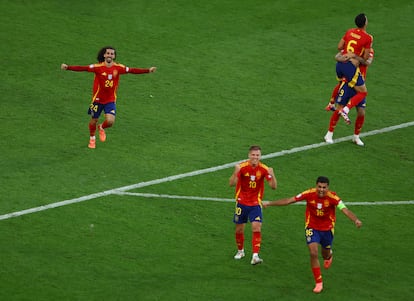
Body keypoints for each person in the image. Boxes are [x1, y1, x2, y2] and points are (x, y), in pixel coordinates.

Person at [263, 176, 362, 294]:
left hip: (327, 230)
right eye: (319, 187)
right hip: (312, 227)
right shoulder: (309, 194)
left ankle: (329, 256)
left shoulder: (333, 197)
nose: (321, 190)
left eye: (324, 187)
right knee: (313, 252)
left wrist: (355, 220)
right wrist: (269, 203)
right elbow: (289, 200)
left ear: (328, 188)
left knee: (325, 254)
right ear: (316, 186)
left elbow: (345, 210)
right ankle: (319, 282)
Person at [61, 46, 157, 149]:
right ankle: (92, 138)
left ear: (114, 56)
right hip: (97, 100)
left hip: (110, 100)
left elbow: (132, 70)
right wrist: (68, 67)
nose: (110, 55)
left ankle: (101, 127)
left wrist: (148, 70)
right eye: (108, 53)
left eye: (112, 54)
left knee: (110, 122)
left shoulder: (118, 68)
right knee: (93, 120)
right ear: (104, 55)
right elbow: (83, 68)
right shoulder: (98, 67)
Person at [229, 145, 277, 265]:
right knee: (239, 229)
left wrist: (273, 174)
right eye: (253, 155)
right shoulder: (242, 167)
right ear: (249, 155)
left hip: (255, 203)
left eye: (257, 155)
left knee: (256, 226)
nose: (255, 157)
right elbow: (231, 183)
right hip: (241, 202)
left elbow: (273, 186)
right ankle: (241, 251)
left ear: (260, 156)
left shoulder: (264, 169)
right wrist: (235, 173)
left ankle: (255, 255)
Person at [324, 48, 374, 146]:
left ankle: (356, 137)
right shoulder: (351, 49)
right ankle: (329, 134)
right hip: (347, 84)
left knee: (361, 112)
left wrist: (355, 57)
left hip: (359, 86)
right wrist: (344, 57)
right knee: (339, 109)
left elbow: (368, 62)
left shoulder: (368, 51)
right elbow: (338, 56)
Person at [329, 13, 373, 125]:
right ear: (365, 23)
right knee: (363, 92)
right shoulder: (368, 38)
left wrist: (345, 53)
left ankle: (331, 104)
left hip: (341, 64)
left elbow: (339, 47)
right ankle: (345, 109)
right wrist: (354, 55)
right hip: (352, 69)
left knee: (341, 83)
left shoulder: (349, 31)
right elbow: (366, 59)